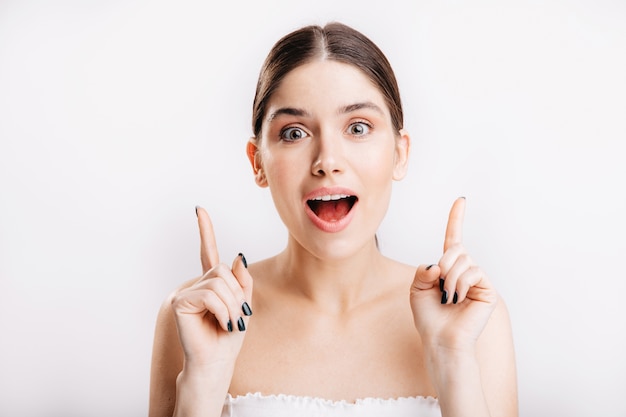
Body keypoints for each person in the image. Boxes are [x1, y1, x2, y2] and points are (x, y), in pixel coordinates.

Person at [149, 21, 518, 417]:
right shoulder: (195, 317)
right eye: (294, 133)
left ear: (400, 152)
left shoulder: (475, 319)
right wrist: (203, 382)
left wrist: (453, 361)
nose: (327, 161)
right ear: (258, 162)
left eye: (358, 127)